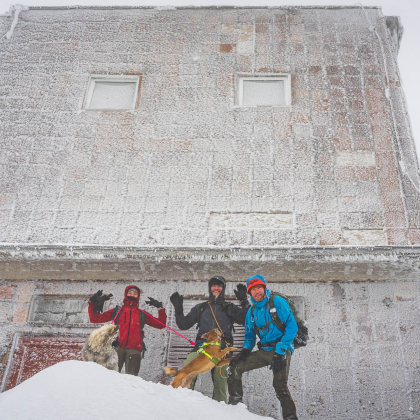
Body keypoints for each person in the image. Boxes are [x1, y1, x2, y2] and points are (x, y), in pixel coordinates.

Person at [227, 274, 299, 420]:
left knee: (280, 386)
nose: (257, 291)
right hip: (264, 350)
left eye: (259, 287)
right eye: (253, 289)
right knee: (234, 368)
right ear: (249, 293)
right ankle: (234, 409)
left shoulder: (276, 301)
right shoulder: (251, 312)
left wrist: (281, 349)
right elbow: (249, 336)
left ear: (264, 288)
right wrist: (246, 350)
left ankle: (291, 417)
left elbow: (292, 326)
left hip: (281, 349)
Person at [169, 276, 249, 402]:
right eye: (213, 285)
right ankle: (181, 402)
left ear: (223, 289)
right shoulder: (201, 307)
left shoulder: (229, 307)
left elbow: (247, 319)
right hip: (202, 348)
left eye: (219, 285)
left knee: (220, 379)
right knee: (186, 372)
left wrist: (244, 301)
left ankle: (219, 407)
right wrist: (178, 309)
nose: (216, 288)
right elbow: (183, 325)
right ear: (210, 288)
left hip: (222, 348)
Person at [88, 285, 167, 376]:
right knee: (110, 377)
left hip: (134, 349)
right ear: (126, 294)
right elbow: (94, 319)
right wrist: (92, 303)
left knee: (131, 378)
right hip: (116, 348)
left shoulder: (142, 314)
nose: (132, 295)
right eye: (130, 293)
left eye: (135, 293)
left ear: (138, 296)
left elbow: (161, 325)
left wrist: (160, 308)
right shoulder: (117, 311)